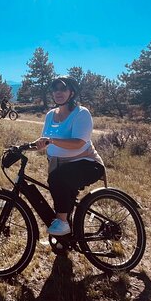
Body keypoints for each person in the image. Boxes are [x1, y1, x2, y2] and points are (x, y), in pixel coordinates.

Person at [33, 77, 105, 236]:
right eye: (55, 89)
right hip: (59, 166)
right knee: (62, 198)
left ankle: (63, 223)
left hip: (87, 165)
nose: (58, 92)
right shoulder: (50, 115)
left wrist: (51, 140)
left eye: (63, 89)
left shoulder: (81, 113)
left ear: (71, 93)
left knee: (58, 179)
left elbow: (78, 143)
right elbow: (45, 142)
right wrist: (23, 147)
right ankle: (65, 239)